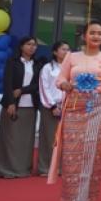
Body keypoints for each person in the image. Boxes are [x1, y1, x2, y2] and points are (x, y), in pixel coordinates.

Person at [49, 20, 101, 201]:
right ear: (84, 35)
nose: (96, 36)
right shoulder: (72, 57)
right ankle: (71, 200)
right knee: (71, 155)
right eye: (92, 32)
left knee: (90, 154)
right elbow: (60, 79)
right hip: (74, 107)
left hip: (97, 107)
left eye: (100, 33)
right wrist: (64, 85)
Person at [0, 36, 42, 178]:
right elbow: (7, 83)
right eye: (29, 44)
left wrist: (22, 90)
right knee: (9, 139)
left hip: (30, 106)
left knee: (26, 140)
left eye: (34, 45)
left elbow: (37, 85)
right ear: (21, 46)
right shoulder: (13, 62)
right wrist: (10, 102)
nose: (32, 47)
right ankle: (6, 170)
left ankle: (23, 169)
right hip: (12, 105)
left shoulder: (37, 64)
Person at [38, 41, 69, 177]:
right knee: (49, 137)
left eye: (68, 49)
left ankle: (63, 167)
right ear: (55, 52)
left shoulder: (71, 68)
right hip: (50, 107)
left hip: (68, 107)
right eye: (63, 49)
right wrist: (52, 105)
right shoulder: (47, 68)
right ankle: (46, 168)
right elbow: (44, 87)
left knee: (65, 138)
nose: (66, 52)